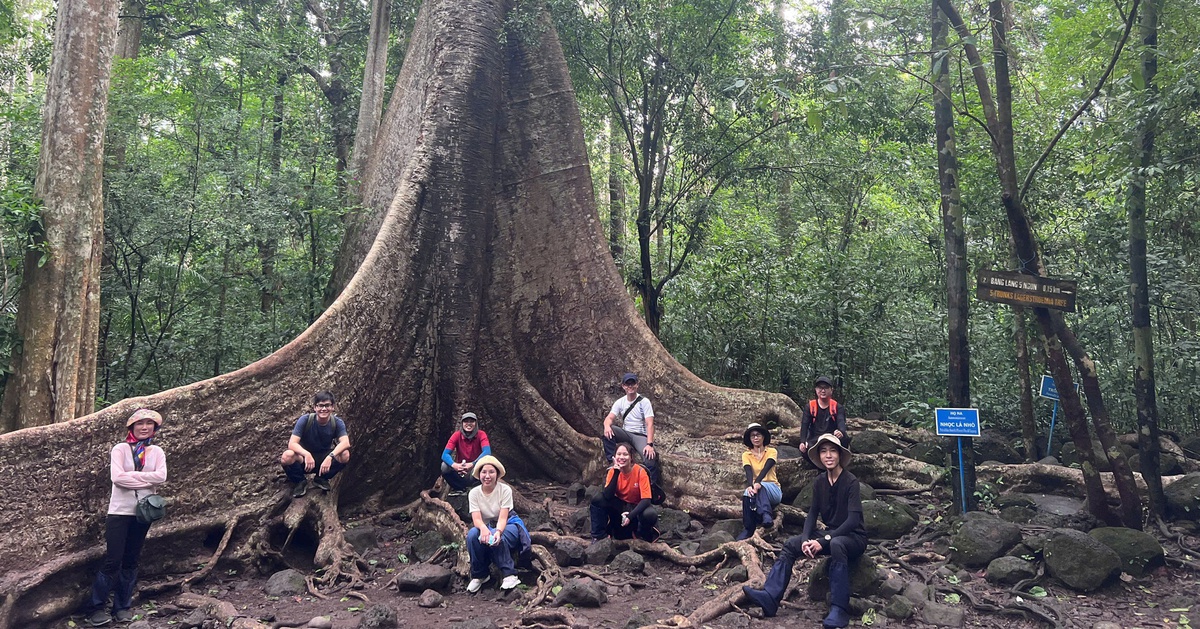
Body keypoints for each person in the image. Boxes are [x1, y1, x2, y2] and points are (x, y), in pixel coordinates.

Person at [742, 434, 865, 627]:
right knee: (791, 544)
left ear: (840, 455)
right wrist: (807, 539)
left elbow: (853, 521)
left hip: (853, 537)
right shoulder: (820, 482)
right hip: (830, 534)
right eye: (823, 451)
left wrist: (822, 541)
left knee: (837, 543)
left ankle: (839, 609)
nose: (828, 455)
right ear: (819, 457)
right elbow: (812, 514)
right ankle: (770, 596)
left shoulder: (851, 482)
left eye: (833, 451)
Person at [80, 409, 168, 627]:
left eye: (149, 424)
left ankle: (122, 607)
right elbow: (117, 478)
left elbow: (162, 477)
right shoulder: (120, 449)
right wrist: (147, 480)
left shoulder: (156, 451)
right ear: (131, 427)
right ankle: (96, 608)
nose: (144, 427)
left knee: (131, 560)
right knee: (113, 560)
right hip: (119, 512)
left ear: (154, 429)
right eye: (140, 423)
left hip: (143, 513)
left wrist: (133, 477)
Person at [465, 455, 530, 592]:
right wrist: (483, 528)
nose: (487, 476)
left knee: (496, 535)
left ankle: (509, 574)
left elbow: (503, 517)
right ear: (479, 474)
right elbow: (476, 518)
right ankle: (479, 574)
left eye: (491, 472)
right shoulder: (474, 493)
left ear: (497, 474)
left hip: (508, 523)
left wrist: (498, 532)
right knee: (472, 535)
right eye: (484, 472)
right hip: (486, 524)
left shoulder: (505, 490)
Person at [280, 391, 351, 498]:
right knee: (287, 456)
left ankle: (321, 478)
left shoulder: (337, 422)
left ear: (332, 407)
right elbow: (292, 443)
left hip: (323, 461)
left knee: (345, 454)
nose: (323, 409)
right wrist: (306, 454)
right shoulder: (305, 420)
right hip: (304, 460)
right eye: (320, 405)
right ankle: (300, 482)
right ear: (315, 407)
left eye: (327, 405)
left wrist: (330, 457)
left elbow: (345, 442)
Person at [590, 442, 660, 543]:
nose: (621, 457)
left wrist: (630, 516)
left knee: (650, 514)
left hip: (636, 507)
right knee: (598, 499)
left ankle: (643, 537)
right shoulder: (612, 471)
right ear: (614, 456)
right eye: (619, 454)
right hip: (620, 505)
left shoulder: (640, 472)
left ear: (631, 457)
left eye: (625, 454)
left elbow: (646, 499)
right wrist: (617, 472)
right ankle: (598, 536)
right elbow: (607, 495)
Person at [601, 372, 659, 485]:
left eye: (633, 384)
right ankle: (612, 462)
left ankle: (651, 487)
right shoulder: (620, 402)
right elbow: (609, 418)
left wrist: (650, 444)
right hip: (626, 433)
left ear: (637, 385)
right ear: (623, 386)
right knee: (608, 431)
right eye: (628, 384)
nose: (630, 387)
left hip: (639, 435)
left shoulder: (644, 402)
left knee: (650, 457)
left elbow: (650, 424)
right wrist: (607, 426)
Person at [737, 422, 781, 540]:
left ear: (763, 436)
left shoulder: (771, 451)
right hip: (758, 489)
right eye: (753, 435)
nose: (756, 438)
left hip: (773, 489)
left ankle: (766, 514)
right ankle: (748, 528)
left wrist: (757, 483)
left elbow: (767, 468)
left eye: (758, 435)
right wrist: (751, 486)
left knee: (759, 487)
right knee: (747, 493)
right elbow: (748, 471)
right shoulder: (746, 454)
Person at [799, 375, 850, 458]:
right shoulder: (810, 407)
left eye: (826, 388)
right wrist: (803, 441)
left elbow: (841, 423)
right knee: (805, 450)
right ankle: (820, 468)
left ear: (831, 390)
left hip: (832, 437)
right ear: (816, 390)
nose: (823, 390)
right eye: (820, 388)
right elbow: (804, 425)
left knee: (844, 440)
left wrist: (841, 432)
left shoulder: (837, 407)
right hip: (815, 438)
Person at [441, 412, 492, 492]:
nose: (469, 424)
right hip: (460, 471)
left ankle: (475, 488)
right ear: (462, 423)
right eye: (466, 421)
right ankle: (458, 488)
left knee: (487, 464)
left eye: (471, 421)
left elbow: (487, 452)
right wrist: (455, 465)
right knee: (444, 466)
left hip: (475, 471)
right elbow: (445, 455)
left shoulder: (481, 434)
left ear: (476, 423)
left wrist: (472, 464)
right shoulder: (456, 435)